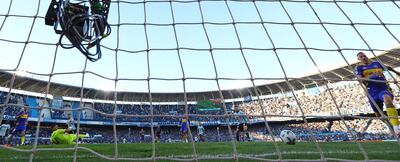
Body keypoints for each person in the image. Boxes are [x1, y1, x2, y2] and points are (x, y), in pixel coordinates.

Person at [356, 52, 400, 135]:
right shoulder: (359, 68)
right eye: (361, 57)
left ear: (367, 56)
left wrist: (395, 72)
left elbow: (388, 68)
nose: (363, 57)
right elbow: (360, 79)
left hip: (383, 88)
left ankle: (396, 127)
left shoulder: (377, 64)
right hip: (371, 92)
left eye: (364, 55)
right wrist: (372, 76)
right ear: (359, 59)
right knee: (378, 115)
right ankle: (390, 125)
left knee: (387, 99)